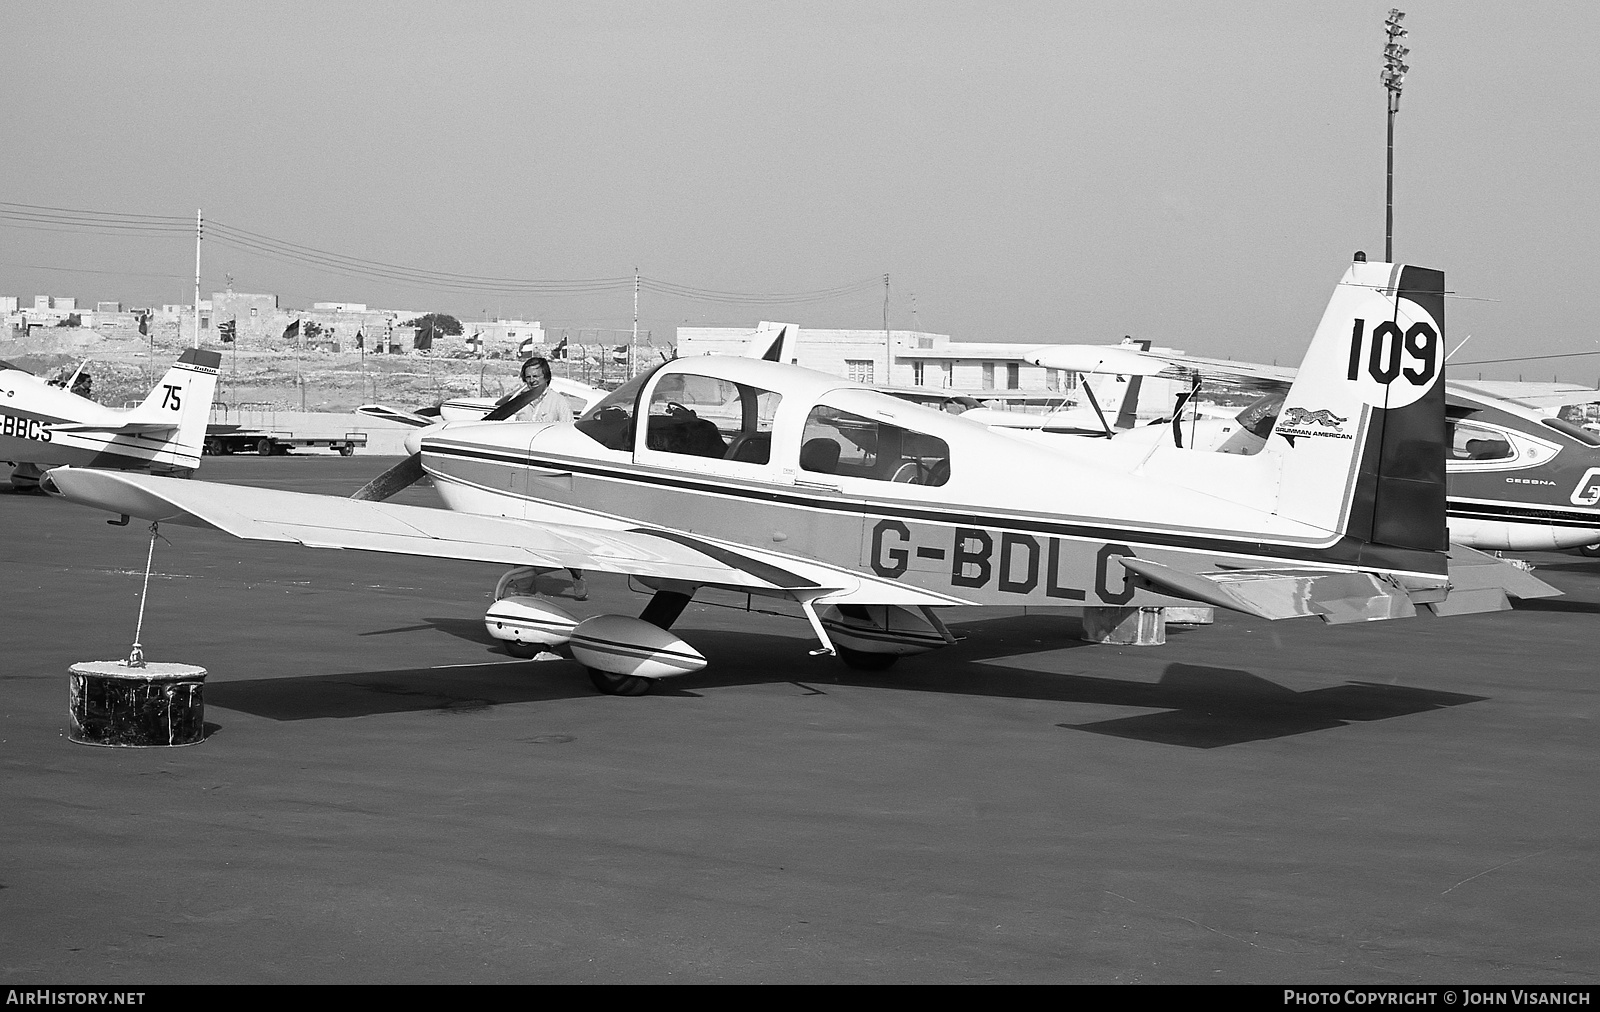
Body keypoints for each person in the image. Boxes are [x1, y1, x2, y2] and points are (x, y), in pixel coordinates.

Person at [507, 356, 586, 598]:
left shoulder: (559, 403)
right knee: (517, 530)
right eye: (528, 377)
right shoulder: (516, 403)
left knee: (555, 533)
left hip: (549, 476)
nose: (531, 381)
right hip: (521, 474)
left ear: (546, 378)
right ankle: (523, 586)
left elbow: (569, 440)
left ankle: (576, 572)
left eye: (536, 377)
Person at [509, 356, 573, 424]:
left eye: (535, 376)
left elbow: (568, 431)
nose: (532, 380)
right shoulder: (520, 403)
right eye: (528, 377)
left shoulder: (560, 402)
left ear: (546, 377)